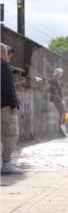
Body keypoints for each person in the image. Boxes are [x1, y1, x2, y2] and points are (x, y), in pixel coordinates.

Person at [1, 44, 22, 175]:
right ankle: (6, 163)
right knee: (11, 134)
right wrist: (14, 105)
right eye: (7, 52)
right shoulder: (3, 66)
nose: (9, 56)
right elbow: (6, 88)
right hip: (5, 107)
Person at [49, 68, 67, 137]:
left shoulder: (58, 81)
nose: (62, 74)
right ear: (58, 73)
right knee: (63, 112)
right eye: (61, 73)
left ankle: (62, 129)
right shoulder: (53, 81)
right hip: (56, 99)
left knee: (63, 113)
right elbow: (55, 92)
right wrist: (61, 100)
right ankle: (60, 127)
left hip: (59, 99)